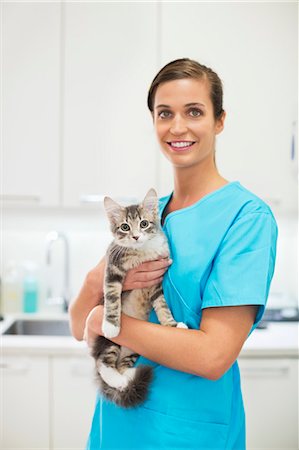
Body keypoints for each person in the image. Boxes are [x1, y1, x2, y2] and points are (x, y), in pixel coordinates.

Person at [69, 58, 278, 449]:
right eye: (165, 113)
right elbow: (78, 323)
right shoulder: (144, 220)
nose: (177, 127)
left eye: (194, 112)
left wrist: (105, 319)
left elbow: (213, 356)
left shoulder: (247, 218)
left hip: (188, 432)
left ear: (219, 121)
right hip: (115, 424)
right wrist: (94, 282)